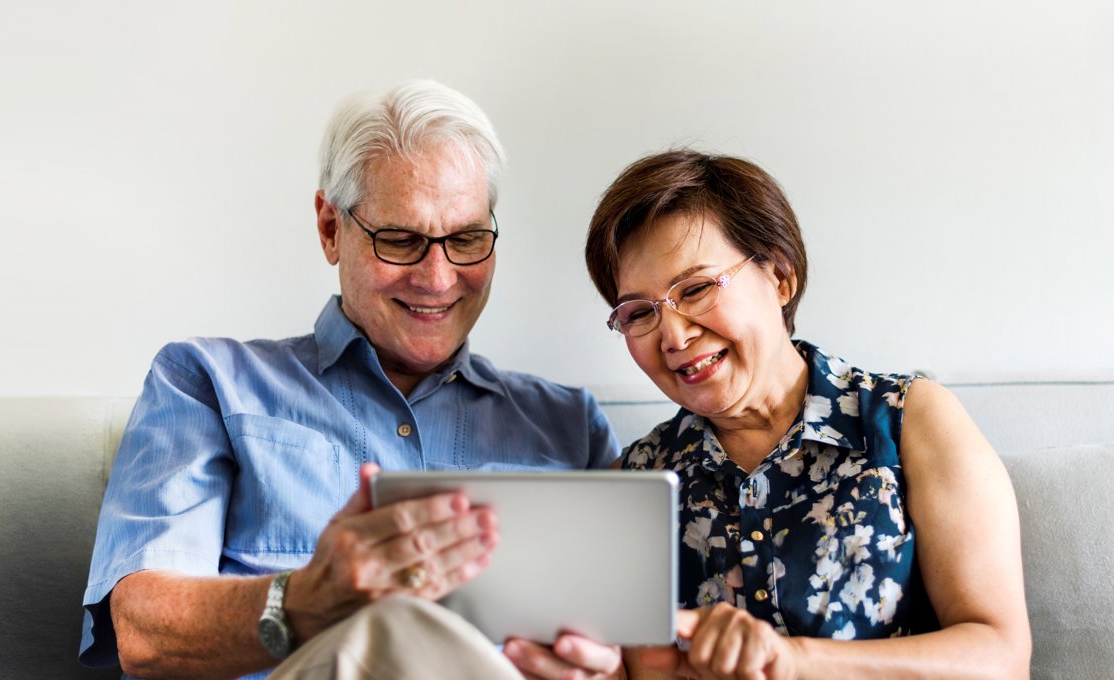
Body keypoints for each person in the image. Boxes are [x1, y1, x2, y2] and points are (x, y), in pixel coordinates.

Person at [79, 80, 621, 679]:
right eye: (400, 240)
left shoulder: (573, 428)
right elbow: (144, 635)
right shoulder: (206, 383)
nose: (438, 278)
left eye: (466, 239)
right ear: (331, 229)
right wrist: (307, 602)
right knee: (385, 627)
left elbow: (638, 644)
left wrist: (609, 665)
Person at [561, 149, 1031, 679]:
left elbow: (1000, 659)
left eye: (694, 289)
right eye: (640, 313)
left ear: (779, 277)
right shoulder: (636, 479)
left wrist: (794, 661)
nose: (673, 336)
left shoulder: (909, 420)